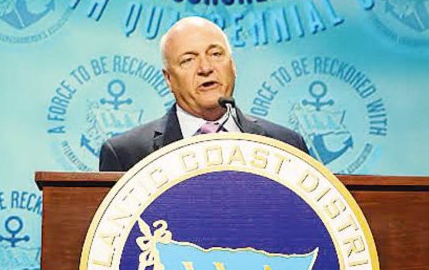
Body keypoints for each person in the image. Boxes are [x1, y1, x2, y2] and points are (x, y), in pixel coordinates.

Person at [99, 17, 309, 171]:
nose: (205, 68)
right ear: (168, 78)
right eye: (188, 60)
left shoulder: (287, 145)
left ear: (233, 66)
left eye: (216, 54)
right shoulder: (126, 154)